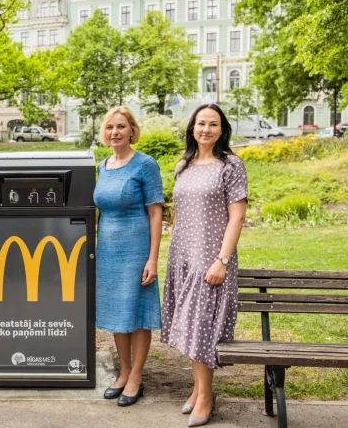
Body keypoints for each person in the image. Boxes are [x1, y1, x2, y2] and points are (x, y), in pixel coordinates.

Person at [161, 104, 248, 427]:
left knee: (200, 327)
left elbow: (237, 215)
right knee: (188, 325)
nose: (206, 129)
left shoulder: (231, 165)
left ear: (222, 129)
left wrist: (222, 260)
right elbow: (180, 212)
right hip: (184, 254)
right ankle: (198, 390)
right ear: (192, 128)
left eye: (213, 124)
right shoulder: (183, 165)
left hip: (212, 258)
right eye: (201, 123)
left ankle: (206, 398)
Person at [93, 106, 164, 407]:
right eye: (110, 127)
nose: (115, 132)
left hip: (136, 249)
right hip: (108, 251)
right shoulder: (101, 166)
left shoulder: (146, 165)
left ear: (132, 130)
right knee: (117, 314)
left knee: (137, 315)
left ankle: (136, 376)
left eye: (121, 127)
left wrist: (152, 258)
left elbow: (156, 213)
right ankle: (122, 372)